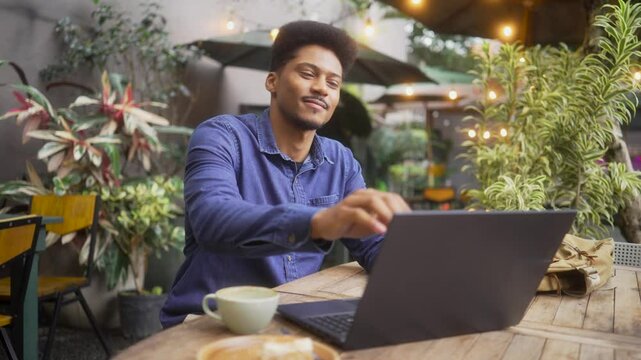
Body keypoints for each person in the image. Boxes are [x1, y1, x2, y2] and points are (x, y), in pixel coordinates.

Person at [160, 20, 410, 328]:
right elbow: (211, 219)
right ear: (272, 82)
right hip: (209, 321)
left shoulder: (340, 160)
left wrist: (416, 265)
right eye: (308, 74)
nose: (321, 87)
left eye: (333, 83)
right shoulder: (222, 136)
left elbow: (372, 243)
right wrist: (317, 223)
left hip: (291, 322)